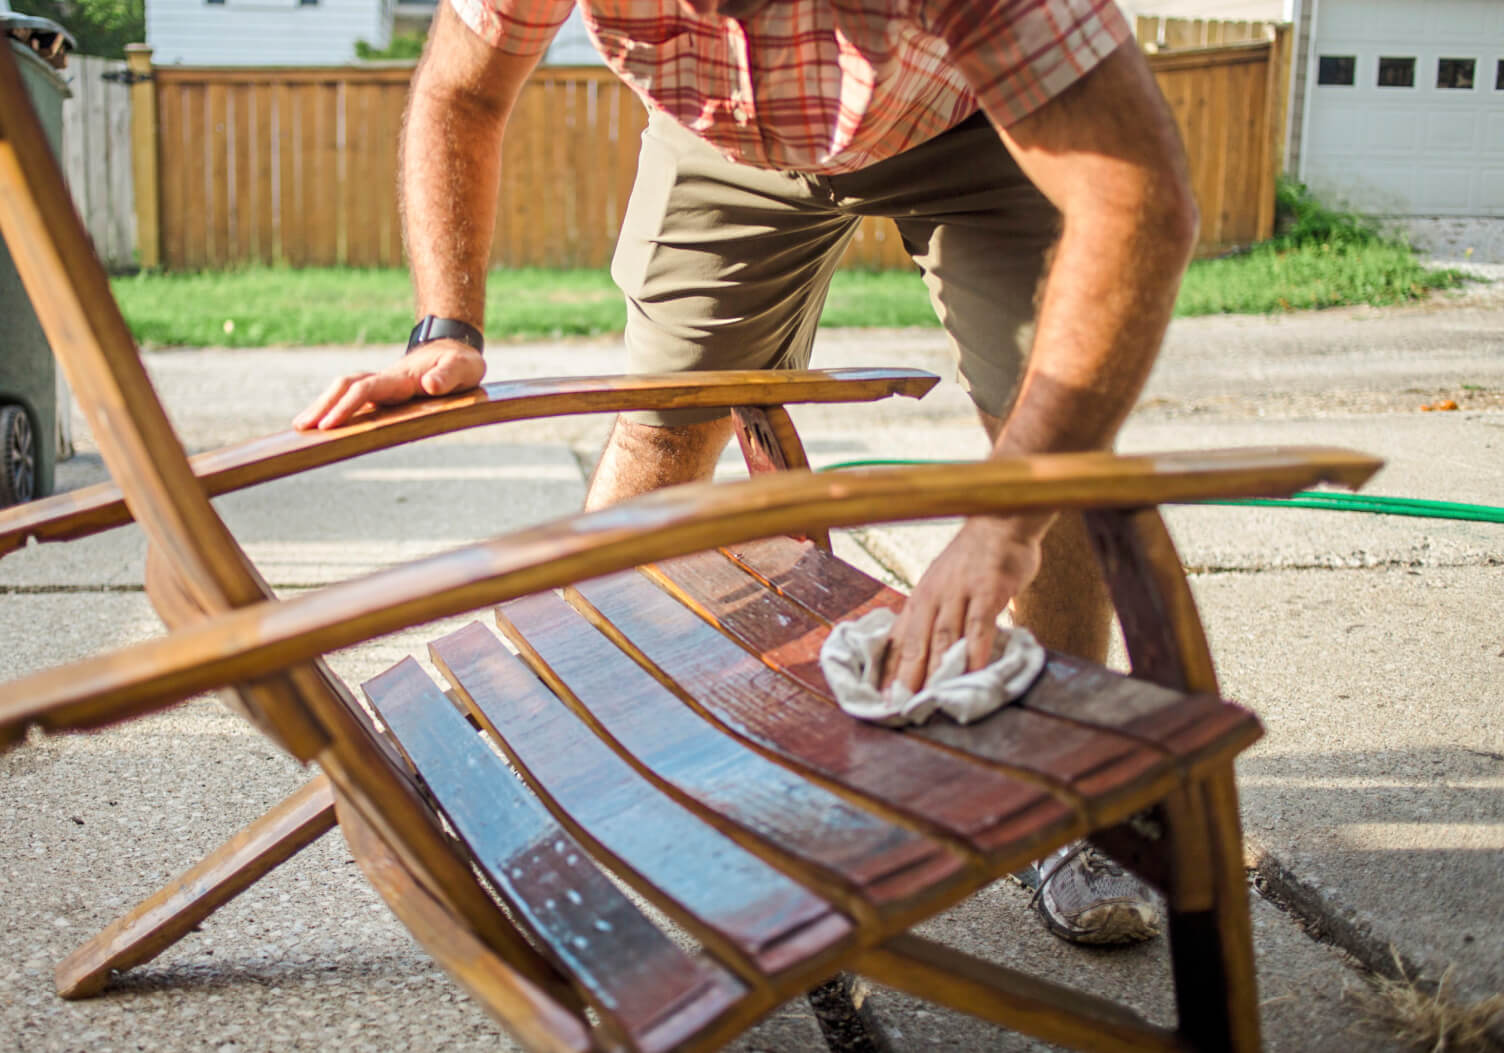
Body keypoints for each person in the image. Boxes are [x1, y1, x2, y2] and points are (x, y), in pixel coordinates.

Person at [294, 0, 1199, 945]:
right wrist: (447, 325)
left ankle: (1071, 796)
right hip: (723, 139)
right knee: (664, 426)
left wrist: (1005, 523)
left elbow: (1138, 200)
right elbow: (461, 89)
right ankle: (566, 741)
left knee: (1048, 445)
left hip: (976, 117)